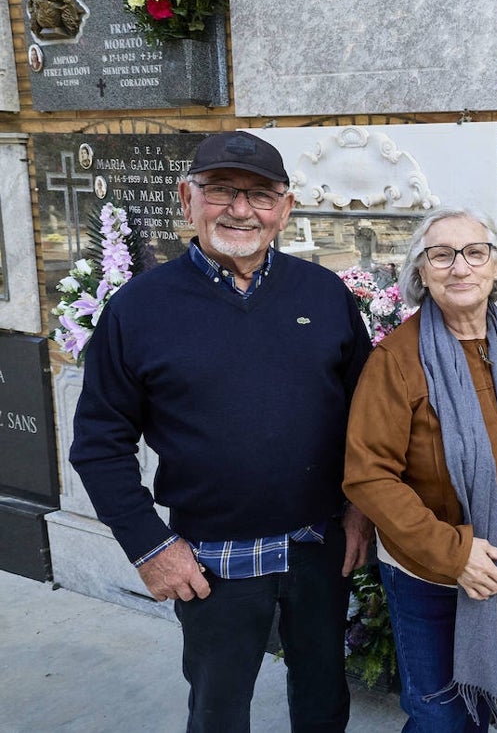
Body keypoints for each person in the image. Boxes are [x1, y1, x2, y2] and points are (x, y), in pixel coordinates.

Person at [70, 130, 373, 733]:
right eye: (222, 191)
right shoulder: (139, 308)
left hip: (320, 546)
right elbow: (99, 440)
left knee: (323, 693)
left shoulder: (324, 293)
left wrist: (361, 513)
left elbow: (368, 417)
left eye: (261, 195)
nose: (241, 209)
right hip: (210, 560)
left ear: (285, 209)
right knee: (218, 707)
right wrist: (149, 547)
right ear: (188, 199)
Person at [344, 208, 497, 732]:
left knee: (479, 708)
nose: (460, 267)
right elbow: (369, 476)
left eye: (475, 253)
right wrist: (455, 554)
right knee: (438, 715)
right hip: (427, 570)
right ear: (421, 272)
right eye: (442, 255)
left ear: (496, 268)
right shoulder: (396, 360)